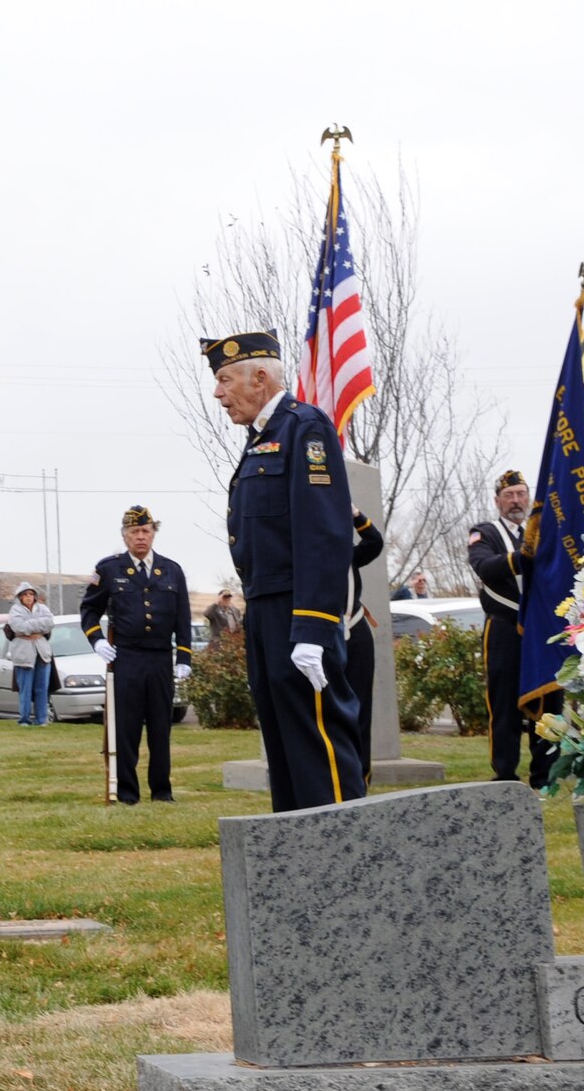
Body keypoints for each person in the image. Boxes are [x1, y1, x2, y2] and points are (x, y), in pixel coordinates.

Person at [202, 332, 364, 812]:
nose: (218, 393)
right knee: (284, 742)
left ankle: (345, 853)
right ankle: (299, 859)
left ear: (259, 377)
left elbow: (323, 533)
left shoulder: (304, 428)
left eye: (224, 379)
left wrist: (313, 628)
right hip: (267, 613)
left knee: (318, 743)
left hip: (299, 612)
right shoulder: (262, 440)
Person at [80, 506, 192, 803]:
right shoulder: (109, 569)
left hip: (159, 658)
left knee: (160, 727)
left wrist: (184, 657)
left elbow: (182, 617)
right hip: (126, 657)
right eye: (134, 532)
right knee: (126, 728)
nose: (140, 537)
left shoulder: (171, 570)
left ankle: (162, 792)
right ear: (124, 536)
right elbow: (89, 610)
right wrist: (97, 640)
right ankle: (128, 793)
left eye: (145, 531)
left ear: (153, 533)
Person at [468, 469, 557, 787]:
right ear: (497, 501)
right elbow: (484, 566)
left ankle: (546, 775)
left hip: (541, 631)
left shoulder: (544, 531)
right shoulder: (485, 532)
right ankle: (504, 773)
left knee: (548, 702)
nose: (516, 500)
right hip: (504, 628)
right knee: (503, 703)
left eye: (521, 493)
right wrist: (523, 557)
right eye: (509, 495)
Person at [346, 506, 384, 783]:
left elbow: (374, 542)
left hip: (355, 629)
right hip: (321, 633)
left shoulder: (348, 552)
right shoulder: (308, 547)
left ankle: (361, 774)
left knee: (360, 707)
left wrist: (355, 514)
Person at [5, 581, 55, 726]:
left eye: (31, 594)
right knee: (25, 688)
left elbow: (50, 623)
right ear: (20, 597)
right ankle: (24, 719)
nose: (28, 597)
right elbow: (18, 627)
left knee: (42, 688)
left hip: (42, 652)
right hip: (23, 653)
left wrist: (30, 627)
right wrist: (38, 627)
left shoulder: (43, 608)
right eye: (25, 594)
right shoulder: (15, 610)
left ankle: (41, 719)